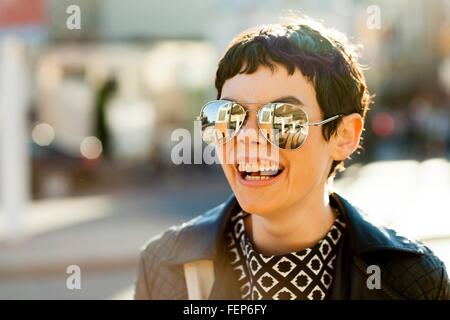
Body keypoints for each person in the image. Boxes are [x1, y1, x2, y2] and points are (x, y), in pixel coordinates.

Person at [134, 18, 450, 300]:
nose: (247, 137)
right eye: (228, 116)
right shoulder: (166, 266)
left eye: (282, 119)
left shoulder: (413, 282)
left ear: (344, 135)